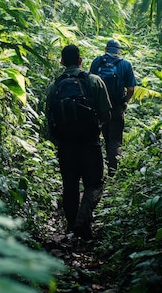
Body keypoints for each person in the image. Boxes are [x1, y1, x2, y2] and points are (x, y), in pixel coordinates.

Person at [46, 44, 112, 240]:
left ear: (62, 62)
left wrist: (58, 138)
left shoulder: (54, 86)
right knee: (95, 184)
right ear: (80, 60)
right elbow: (107, 114)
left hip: (66, 144)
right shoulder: (94, 81)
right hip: (90, 142)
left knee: (70, 186)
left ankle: (71, 228)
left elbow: (49, 119)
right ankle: (82, 222)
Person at [90, 39, 136, 178]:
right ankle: (113, 172)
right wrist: (125, 102)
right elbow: (131, 89)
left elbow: (90, 83)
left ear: (106, 49)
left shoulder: (97, 62)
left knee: (100, 137)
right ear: (119, 50)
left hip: (99, 107)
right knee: (115, 139)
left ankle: (96, 171)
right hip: (116, 106)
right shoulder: (125, 64)